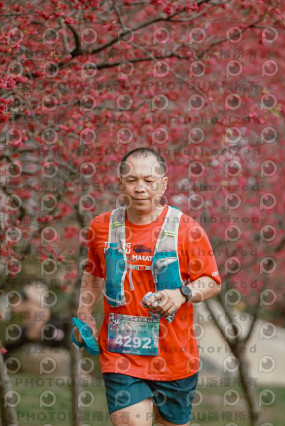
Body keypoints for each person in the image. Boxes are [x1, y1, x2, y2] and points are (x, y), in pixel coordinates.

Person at [73, 148, 221, 426]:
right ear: (120, 184)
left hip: (175, 357)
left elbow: (211, 282)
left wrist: (182, 294)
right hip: (121, 354)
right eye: (132, 180)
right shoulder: (101, 227)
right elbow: (93, 273)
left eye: (149, 181)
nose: (140, 188)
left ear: (163, 184)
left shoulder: (188, 230)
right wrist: (84, 314)